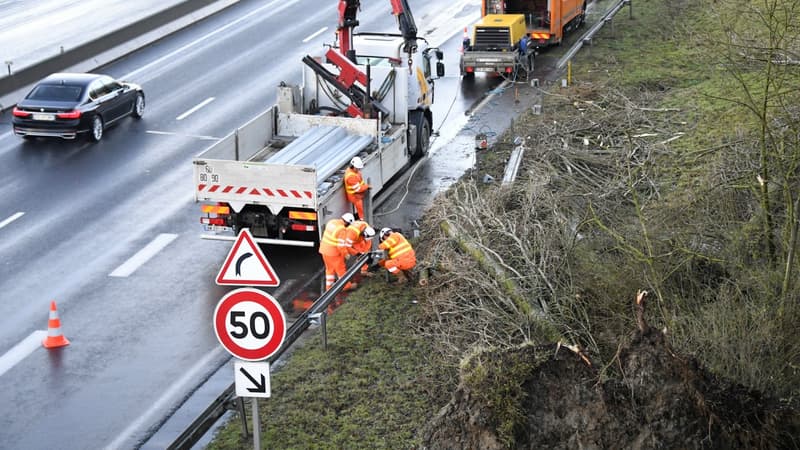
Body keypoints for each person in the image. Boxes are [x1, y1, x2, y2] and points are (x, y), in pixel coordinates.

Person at [318, 212, 356, 291]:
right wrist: (346, 254)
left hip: (324, 250)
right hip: (333, 253)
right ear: (347, 222)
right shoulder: (342, 230)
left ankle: (329, 287)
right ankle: (346, 286)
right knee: (341, 269)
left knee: (329, 270)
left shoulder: (332, 222)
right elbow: (340, 246)